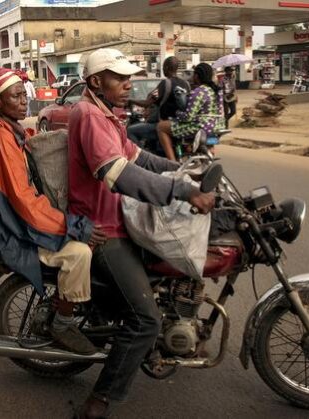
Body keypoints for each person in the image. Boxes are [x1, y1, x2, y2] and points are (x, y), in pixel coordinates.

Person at [67, 48, 215, 418]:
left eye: (129, 76)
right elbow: (117, 173)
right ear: (97, 81)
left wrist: (183, 171)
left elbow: (139, 158)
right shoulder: (87, 115)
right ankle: (97, 403)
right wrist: (181, 191)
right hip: (103, 232)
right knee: (145, 320)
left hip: (122, 221)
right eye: (120, 77)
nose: (128, 83)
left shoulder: (109, 116)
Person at [0, 68, 107, 354]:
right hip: (7, 226)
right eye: (15, 97)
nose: (23, 101)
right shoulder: (1, 139)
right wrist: (73, 226)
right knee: (79, 253)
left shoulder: (9, 128)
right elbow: (24, 202)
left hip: (12, 217)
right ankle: (63, 323)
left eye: (23, 94)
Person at [157, 63, 225, 161]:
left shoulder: (199, 91)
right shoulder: (215, 90)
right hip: (216, 126)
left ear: (197, 76)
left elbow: (188, 117)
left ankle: (172, 162)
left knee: (161, 127)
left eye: (193, 74)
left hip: (200, 127)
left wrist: (177, 113)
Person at [126, 56, 190, 153]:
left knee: (130, 131)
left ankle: (144, 158)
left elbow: (146, 103)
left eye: (163, 66)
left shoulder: (165, 83)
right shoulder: (186, 84)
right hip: (181, 125)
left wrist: (130, 100)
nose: (163, 69)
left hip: (164, 125)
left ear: (167, 67)